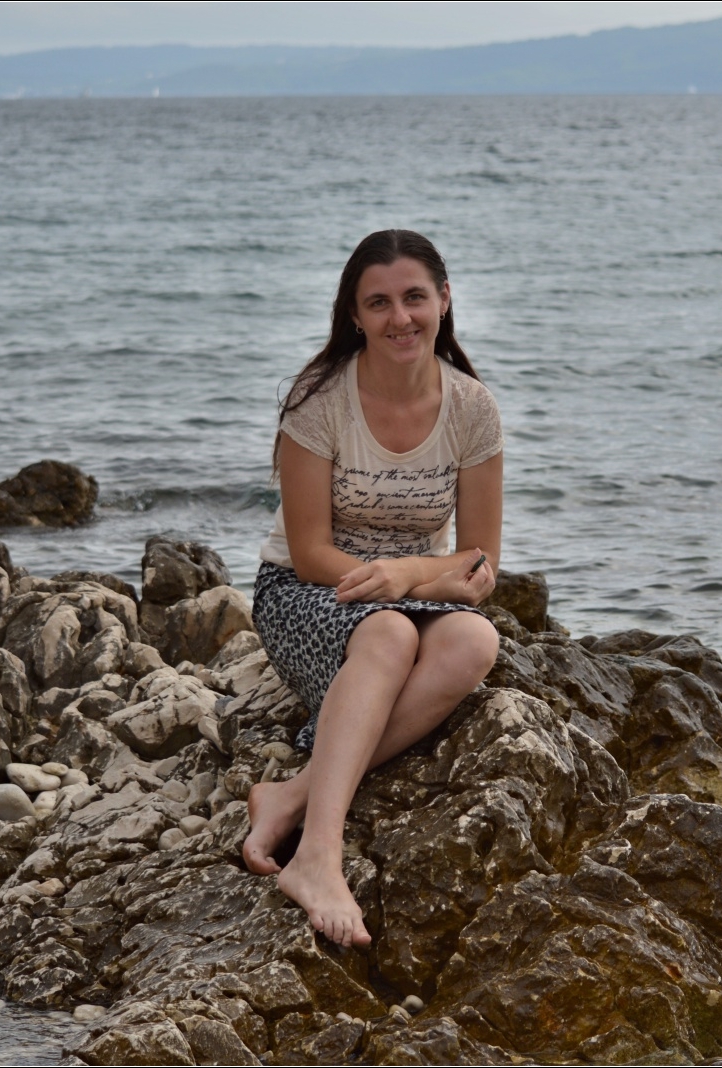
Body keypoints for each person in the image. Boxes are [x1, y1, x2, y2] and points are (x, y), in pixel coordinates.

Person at [243, 229, 503, 948]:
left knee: (474, 641)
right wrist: (401, 588)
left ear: (444, 300)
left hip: (413, 589)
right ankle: (318, 857)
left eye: (415, 297)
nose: (401, 318)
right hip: (305, 590)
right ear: (355, 316)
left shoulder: (472, 408)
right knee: (387, 633)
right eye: (379, 303)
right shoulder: (319, 401)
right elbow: (307, 552)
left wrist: (411, 577)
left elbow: (482, 557)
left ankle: (291, 795)